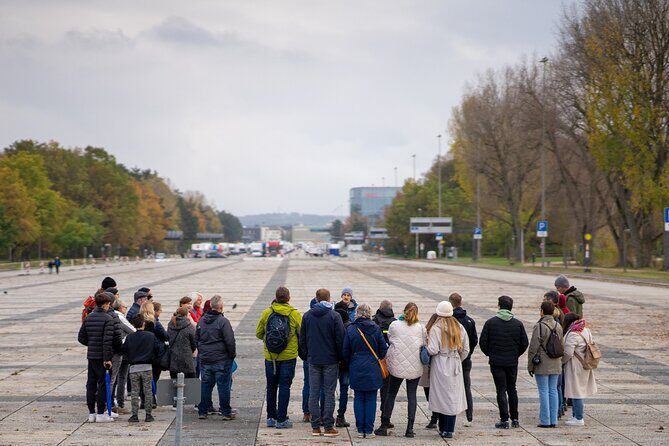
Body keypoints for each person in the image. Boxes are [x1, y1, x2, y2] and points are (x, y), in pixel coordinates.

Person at [299, 288, 345, 437]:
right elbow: (340, 339)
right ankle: (328, 426)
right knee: (329, 392)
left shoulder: (307, 316)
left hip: (313, 359)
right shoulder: (334, 316)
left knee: (314, 392)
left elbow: (302, 339)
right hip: (331, 360)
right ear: (329, 298)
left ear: (316, 299)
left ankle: (315, 427)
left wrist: (306, 356)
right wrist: (340, 357)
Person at [255, 286, 302, 429]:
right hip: (288, 357)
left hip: (270, 357)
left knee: (271, 387)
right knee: (285, 387)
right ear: (289, 297)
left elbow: (258, 333)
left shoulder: (267, 313)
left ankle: (270, 417)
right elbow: (302, 334)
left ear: (276, 297)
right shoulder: (294, 314)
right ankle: (281, 419)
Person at [479, 295, 529, 429]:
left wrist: (491, 354)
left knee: (500, 390)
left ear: (499, 306)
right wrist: (515, 354)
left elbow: (483, 342)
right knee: (512, 389)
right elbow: (524, 343)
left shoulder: (490, 323)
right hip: (512, 362)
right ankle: (515, 419)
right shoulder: (518, 324)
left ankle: (504, 419)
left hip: (496, 362)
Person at [376, 302, 424, 438]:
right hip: (415, 366)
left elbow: (391, 339)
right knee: (412, 395)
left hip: (397, 365)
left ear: (404, 312)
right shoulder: (420, 328)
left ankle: (384, 425)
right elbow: (424, 343)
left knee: (391, 394)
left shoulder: (395, 325)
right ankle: (409, 428)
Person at [425, 301, 469, 439]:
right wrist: (457, 359)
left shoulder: (436, 328)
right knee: (452, 396)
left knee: (441, 396)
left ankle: (443, 428)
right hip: (455, 362)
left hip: (440, 363)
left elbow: (433, 349)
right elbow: (466, 349)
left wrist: (424, 348)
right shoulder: (459, 327)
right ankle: (449, 429)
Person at [343, 304, 387, 439]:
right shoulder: (376, 328)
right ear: (369, 314)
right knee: (371, 399)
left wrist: (352, 361)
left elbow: (345, 351)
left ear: (357, 313)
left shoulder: (351, 329)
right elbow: (383, 351)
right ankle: (368, 430)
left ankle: (359, 427)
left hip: (356, 367)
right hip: (373, 368)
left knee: (359, 398)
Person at [196, 295, 236, 420]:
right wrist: (231, 355)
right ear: (221, 307)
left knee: (205, 385)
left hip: (206, 358)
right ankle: (225, 412)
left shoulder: (201, 321)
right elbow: (230, 341)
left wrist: (202, 352)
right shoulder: (223, 321)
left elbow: (196, 339)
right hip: (221, 359)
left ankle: (203, 411)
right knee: (223, 385)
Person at [77, 291, 115, 423]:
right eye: (108, 304)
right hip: (102, 357)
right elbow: (107, 341)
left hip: (91, 356)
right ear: (105, 305)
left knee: (91, 384)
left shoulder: (88, 318)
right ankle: (100, 413)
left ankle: (91, 413)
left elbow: (81, 338)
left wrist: (91, 344)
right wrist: (107, 359)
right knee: (103, 384)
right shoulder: (108, 319)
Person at [528, 301, 564, 428]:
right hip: (555, 362)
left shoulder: (540, 326)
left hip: (543, 362)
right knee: (553, 390)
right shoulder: (558, 326)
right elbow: (562, 345)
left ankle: (545, 420)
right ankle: (554, 420)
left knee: (543, 391)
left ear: (542, 311)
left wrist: (530, 366)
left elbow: (533, 347)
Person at [123, 314, 161, 423]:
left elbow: (124, 350)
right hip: (147, 366)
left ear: (133, 325)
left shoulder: (130, 337)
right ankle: (148, 414)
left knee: (135, 392)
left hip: (134, 367)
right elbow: (157, 350)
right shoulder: (150, 336)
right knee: (147, 391)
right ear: (143, 324)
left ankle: (134, 415)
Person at [562, 313, 597, 426]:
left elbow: (568, 352)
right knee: (578, 390)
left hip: (575, 365)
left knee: (576, 392)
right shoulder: (585, 330)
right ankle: (575, 416)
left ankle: (578, 417)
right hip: (584, 364)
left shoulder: (573, 333)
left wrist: (561, 362)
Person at [449, 293, 477, 427]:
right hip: (466, 359)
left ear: (451, 303)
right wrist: (468, 354)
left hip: (450, 358)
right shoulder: (470, 320)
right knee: (466, 386)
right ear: (461, 303)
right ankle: (469, 413)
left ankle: (443, 415)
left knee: (447, 387)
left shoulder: (449, 320)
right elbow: (474, 340)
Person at [372, 300, 396, 428]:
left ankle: (369, 417)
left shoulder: (374, 321)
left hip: (375, 360)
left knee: (371, 391)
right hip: (388, 361)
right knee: (386, 391)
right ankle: (385, 417)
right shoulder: (395, 322)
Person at [111, 298, 135, 414]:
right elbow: (133, 330)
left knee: (114, 378)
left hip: (112, 350)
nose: (126, 309)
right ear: (121, 308)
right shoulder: (119, 316)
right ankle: (119, 403)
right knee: (121, 378)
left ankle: (112, 402)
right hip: (122, 350)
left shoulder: (110, 315)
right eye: (125, 307)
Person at [333, 300, 352, 428]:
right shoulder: (350, 326)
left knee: (328, 389)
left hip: (332, 361)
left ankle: (325, 415)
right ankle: (340, 416)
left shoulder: (331, 322)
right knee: (344, 390)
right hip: (345, 363)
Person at [419, 313, 439, 429]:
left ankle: (434, 418)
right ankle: (436, 417)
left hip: (427, 367)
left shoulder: (427, 331)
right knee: (437, 393)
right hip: (436, 365)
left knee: (429, 393)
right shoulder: (436, 331)